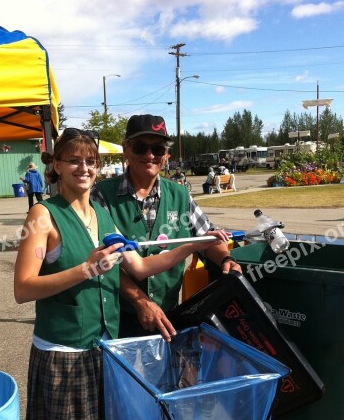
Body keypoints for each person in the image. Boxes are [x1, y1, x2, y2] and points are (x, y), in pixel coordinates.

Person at [13, 127, 226, 420]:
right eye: (73, 160)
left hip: (101, 350)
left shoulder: (101, 215)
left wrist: (195, 245)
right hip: (64, 353)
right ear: (56, 166)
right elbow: (22, 289)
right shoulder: (42, 214)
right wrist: (85, 268)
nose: (84, 168)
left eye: (90, 160)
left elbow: (144, 265)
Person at [92, 114, 241, 342]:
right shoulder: (101, 195)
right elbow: (104, 262)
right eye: (140, 147)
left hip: (168, 315)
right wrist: (140, 301)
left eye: (158, 149)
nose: (150, 155)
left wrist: (225, 259)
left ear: (167, 154)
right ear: (126, 149)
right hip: (117, 318)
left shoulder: (180, 194)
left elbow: (208, 236)